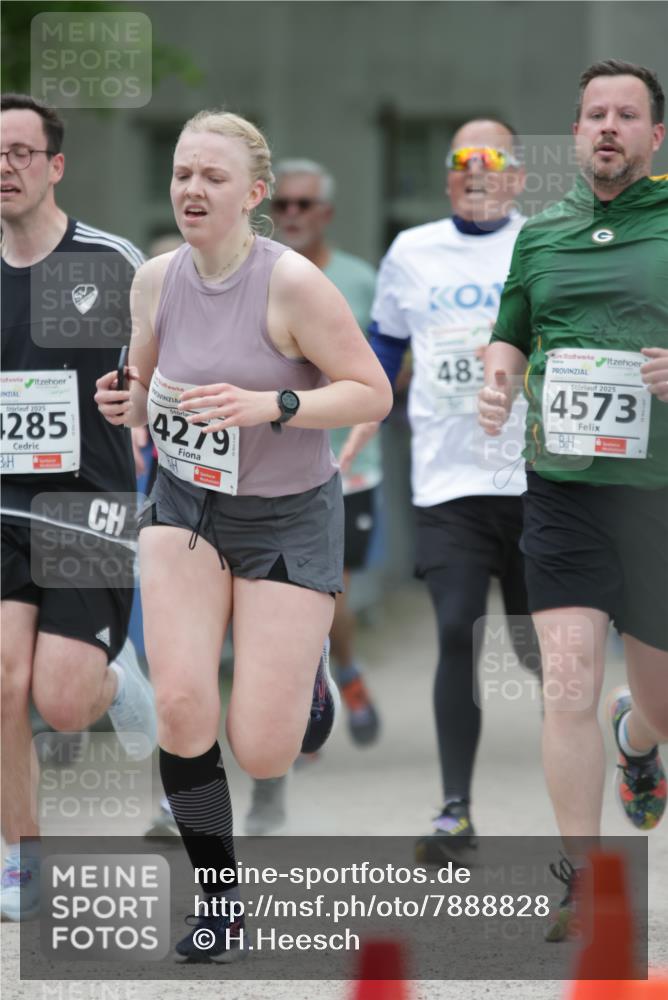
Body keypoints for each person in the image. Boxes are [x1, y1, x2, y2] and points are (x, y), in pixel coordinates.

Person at [94, 109, 392, 962]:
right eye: (182, 173)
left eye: (212, 177)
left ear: (254, 193)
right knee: (184, 706)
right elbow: (144, 383)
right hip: (185, 506)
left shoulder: (293, 284)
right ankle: (219, 902)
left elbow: (371, 391)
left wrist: (274, 404)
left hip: (288, 514)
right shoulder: (155, 279)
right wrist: (126, 402)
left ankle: (310, 679)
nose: (191, 188)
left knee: (263, 749)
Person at [478, 59, 668, 941]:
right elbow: (509, 337)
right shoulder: (542, 234)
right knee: (568, 683)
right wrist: (496, 382)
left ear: (655, 136)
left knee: (657, 703)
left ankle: (639, 738)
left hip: (659, 495)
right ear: (577, 130)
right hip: (563, 489)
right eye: (596, 113)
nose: (609, 127)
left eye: (627, 115)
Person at [342, 118, 541, 860]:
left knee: (543, 651)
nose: (474, 169)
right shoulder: (412, 251)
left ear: (518, 177)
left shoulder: (544, 244)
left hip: (538, 478)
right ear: (448, 175)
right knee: (457, 628)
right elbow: (384, 345)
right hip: (448, 482)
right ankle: (456, 810)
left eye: (491, 158)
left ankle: (618, 744)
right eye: (461, 158)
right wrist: (357, 411)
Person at [0, 94, 157, 921]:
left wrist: (141, 400)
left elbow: (166, 365)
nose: (5, 167)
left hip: (85, 506)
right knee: (2, 680)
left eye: (21, 152)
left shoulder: (111, 261)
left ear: (54, 166)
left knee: (62, 701)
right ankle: (22, 859)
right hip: (2, 507)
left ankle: (116, 680)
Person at [244, 159, 384, 835]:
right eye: (284, 204)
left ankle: (336, 670)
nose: (292, 214)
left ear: (325, 212)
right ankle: (301, 702)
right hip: (254, 474)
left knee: (335, 593)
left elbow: (386, 368)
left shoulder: (357, 279)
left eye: (304, 204)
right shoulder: (252, 274)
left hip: (345, 466)